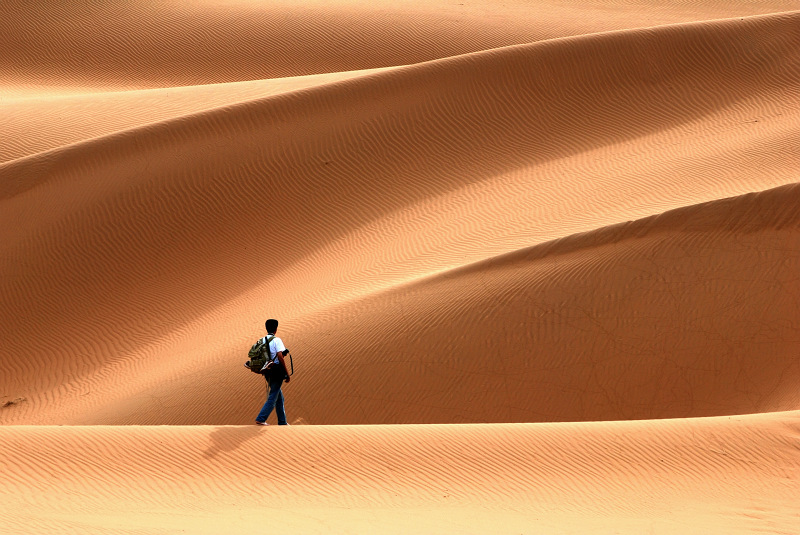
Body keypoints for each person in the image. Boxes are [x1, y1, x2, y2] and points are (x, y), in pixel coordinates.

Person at [254, 318, 291, 426]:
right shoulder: (276, 340)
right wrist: (286, 373)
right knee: (274, 395)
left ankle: (282, 422)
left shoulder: (262, 340)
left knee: (279, 397)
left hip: (267, 371)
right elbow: (280, 356)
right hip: (277, 371)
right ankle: (261, 418)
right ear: (276, 329)